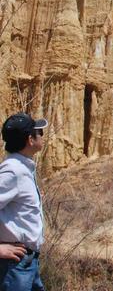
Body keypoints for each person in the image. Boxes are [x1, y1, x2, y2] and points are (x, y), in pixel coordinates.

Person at [0, 112, 48, 290]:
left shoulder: (22, 167)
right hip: (15, 264)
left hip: (27, 262)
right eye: (39, 133)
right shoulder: (13, 170)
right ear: (30, 139)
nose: (42, 136)